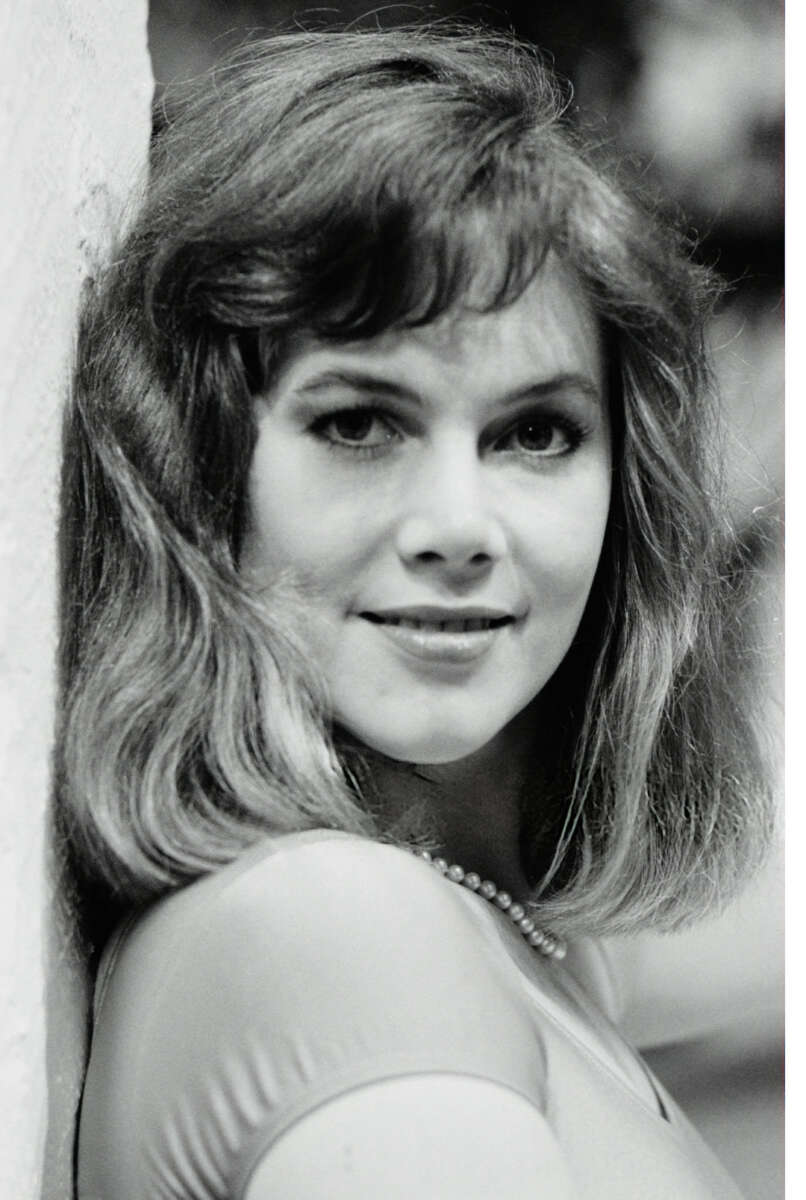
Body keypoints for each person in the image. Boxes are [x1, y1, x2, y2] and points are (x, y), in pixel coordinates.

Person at [60, 27, 775, 1199]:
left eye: (533, 432)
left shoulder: (511, 942)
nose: (458, 525)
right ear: (203, 475)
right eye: (357, 423)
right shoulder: (334, 927)